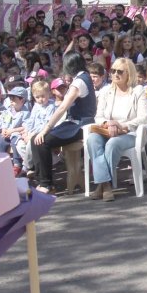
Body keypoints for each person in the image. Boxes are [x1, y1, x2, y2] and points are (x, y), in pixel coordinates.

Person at [85, 58, 147, 202]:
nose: (115, 74)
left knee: (113, 144)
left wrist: (122, 126)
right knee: (92, 139)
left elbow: (144, 117)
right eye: (113, 71)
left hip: (131, 132)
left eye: (120, 71)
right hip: (107, 130)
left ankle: (101, 186)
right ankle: (106, 185)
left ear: (129, 73)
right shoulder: (106, 91)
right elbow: (98, 116)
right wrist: (108, 123)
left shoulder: (138, 91)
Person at [31, 52, 97, 192]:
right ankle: (42, 180)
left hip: (80, 125)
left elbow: (62, 107)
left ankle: (46, 184)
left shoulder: (79, 82)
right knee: (34, 139)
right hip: (73, 123)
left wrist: (46, 129)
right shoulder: (83, 77)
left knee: (42, 141)